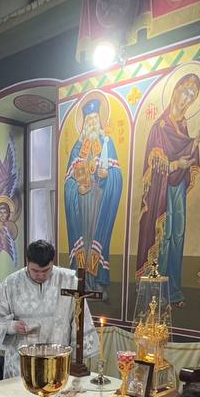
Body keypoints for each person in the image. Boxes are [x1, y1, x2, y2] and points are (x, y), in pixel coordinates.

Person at [133, 73, 200, 304]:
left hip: (177, 187)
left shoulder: (183, 126)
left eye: (193, 95)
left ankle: (173, 289)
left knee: (178, 233)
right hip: (161, 192)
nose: (187, 98)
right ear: (176, 90)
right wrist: (177, 164)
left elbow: (184, 151)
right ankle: (155, 292)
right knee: (164, 235)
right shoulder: (160, 127)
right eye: (185, 91)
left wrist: (195, 142)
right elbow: (157, 165)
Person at [0, 240, 97, 379]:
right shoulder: (11, 283)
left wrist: (75, 359)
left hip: (58, 363)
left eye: (46, 270)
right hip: (22, 366)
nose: (41, 275)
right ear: (27, 262)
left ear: (52, 262)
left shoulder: (69, 281)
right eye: (35, 271)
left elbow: (80, 321)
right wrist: (11, 326)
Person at [63, 98, 123, 291]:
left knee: (97, 239)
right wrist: (76, 188)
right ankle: (82, 283)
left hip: (100, 202)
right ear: (83, 125)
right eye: (88, 120)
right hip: (81, 206)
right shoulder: (77, 149)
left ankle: (97, 284)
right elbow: (68, 181)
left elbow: (117, 176)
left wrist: (107, 175)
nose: (91, 123)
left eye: (94, 119)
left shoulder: (107, 143)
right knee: (84, 242)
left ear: (100, 121)